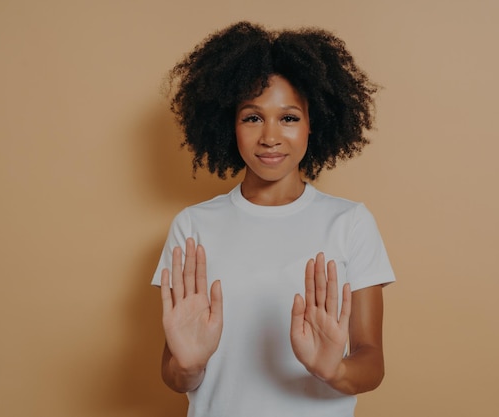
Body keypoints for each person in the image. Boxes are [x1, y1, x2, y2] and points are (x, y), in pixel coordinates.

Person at [152, 21, 396, 417]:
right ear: (228, 125)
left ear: (313, 123)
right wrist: (188, 364)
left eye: (289, 118)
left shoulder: (350, 222)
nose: (270, 136)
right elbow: (175, 375)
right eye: (252, 118)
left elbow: (372, 363)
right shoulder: (192, 225)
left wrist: (333, 369)